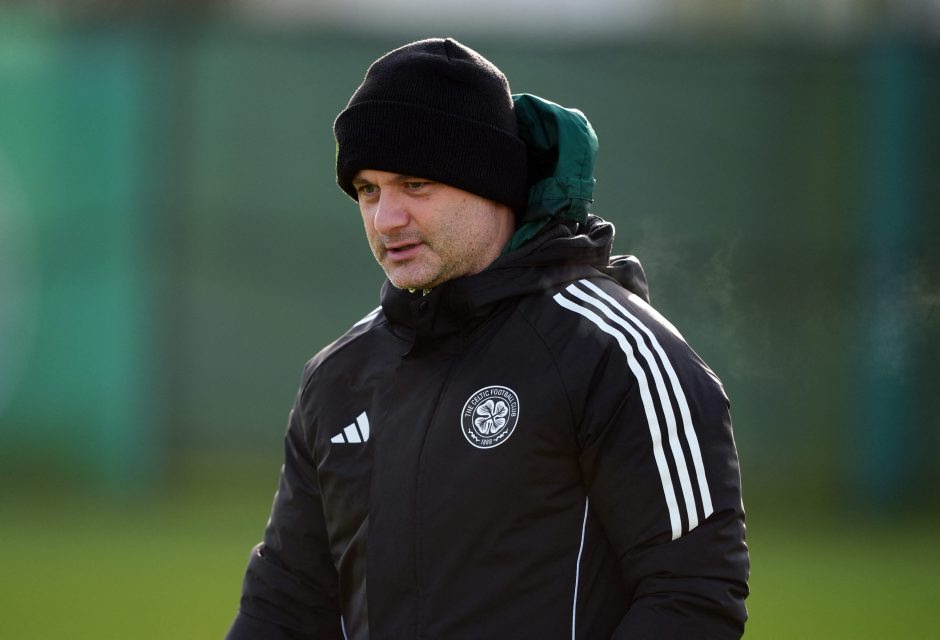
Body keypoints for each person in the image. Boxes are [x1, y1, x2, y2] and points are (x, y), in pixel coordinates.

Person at [227, 37, 749, 639]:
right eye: (368, 190)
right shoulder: (338, 377)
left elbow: (693, 594)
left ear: (491, 183)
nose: (385, 218)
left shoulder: (616, 354)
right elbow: (286, 604)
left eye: (414, 184)